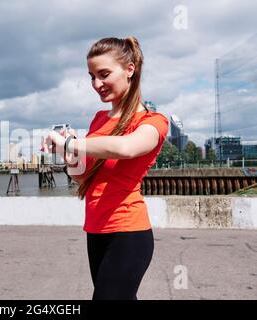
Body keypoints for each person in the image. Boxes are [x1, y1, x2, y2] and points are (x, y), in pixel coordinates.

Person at [44, 36, 169, 300]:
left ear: (130, 70)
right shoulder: (99, 119)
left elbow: (127, 148)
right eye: (91, 76)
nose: (96, 84)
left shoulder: (153, 121)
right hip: (96, 229)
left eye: (104, 74)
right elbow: (81, 178)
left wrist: (73, 142)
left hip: (128, 232)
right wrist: (69, 152)